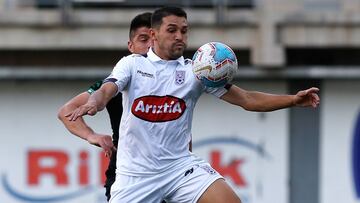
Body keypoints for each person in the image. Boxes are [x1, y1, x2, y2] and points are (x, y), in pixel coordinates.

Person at [68, 6, 320, 203]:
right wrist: (95, 102)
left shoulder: (196, 71)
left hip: (179, 168)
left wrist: (293, 100)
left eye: (184, 30)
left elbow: (247, 99)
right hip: (136, 175)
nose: (180, 36)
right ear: (154, 35)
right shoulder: (133, 65)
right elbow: (106, 89)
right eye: (172, 30)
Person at [57, 12, 152, 201]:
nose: (149, 45)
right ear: (130, 46)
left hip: (168, 172)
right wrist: (92, 135)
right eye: (143, 39)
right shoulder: (114, 84)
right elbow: (66, 111)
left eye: (154, 39)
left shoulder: (175, 81)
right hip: (125, 175)